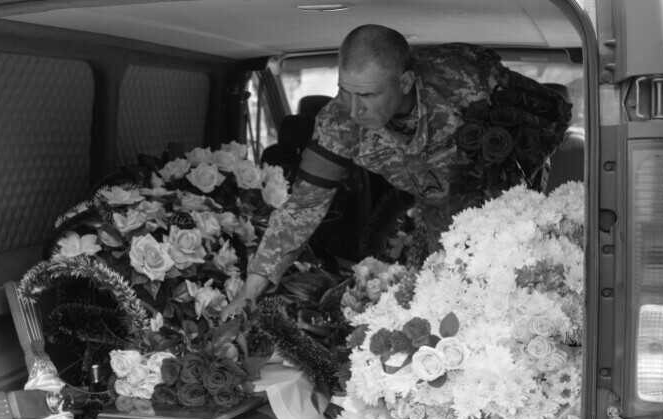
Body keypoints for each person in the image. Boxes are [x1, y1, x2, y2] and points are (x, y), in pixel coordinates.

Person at [222, 24, 570, 318]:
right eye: (344, 90)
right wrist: (250, 291)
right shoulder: (337, 123)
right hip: (439, 218)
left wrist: (516, 182)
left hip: (505, 212)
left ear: (405, 83)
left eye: (366, 95)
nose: (354, 109)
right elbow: (302, 207)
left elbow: (551, 115)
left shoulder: (467, 83)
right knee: (446, 307)